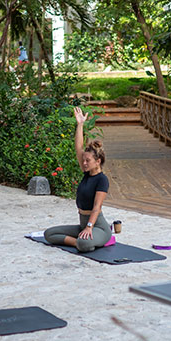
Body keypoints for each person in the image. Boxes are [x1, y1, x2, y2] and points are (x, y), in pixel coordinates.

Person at [44, 106, 113, 251]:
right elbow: (78, 147)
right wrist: (80, 124)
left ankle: (92, 239)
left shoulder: (102, 180)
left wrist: (89, 227)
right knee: (49, 234)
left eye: (88, 160)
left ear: (98, 161)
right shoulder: (87, 173)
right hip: (83, 224)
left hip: (98, 227)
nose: (84, 163)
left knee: (84, 244)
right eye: (84, 160)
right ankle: (79, 240)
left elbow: (96, 207)